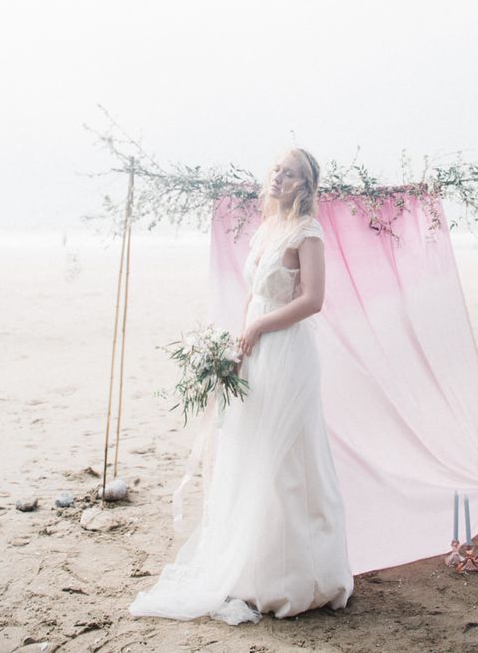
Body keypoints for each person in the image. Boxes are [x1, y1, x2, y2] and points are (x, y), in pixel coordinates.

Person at [129, 148, 354, 625]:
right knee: (251, 452)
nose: (278, 178)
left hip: (287, 350)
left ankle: (300, 579)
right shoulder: (267, 228)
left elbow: (314, 300)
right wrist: (237, 338)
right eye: (276, 169)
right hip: (254, 349)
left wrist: (260, 328)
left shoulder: (307, 233)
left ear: (305, 185)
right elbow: (253, 293)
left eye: (289, 173)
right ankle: (253, 572)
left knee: (289, 458)